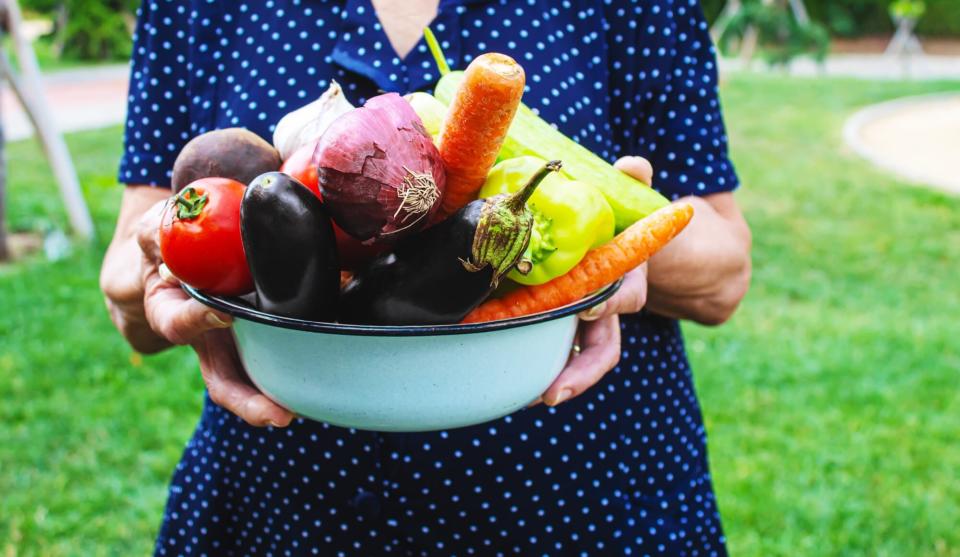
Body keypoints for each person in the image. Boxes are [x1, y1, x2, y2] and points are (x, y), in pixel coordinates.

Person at [100, 0, 752, 554]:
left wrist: (610, 241)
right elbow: (131, 264)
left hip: (583, 501)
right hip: (280, 509)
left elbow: (723, 270)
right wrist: (165, 277)